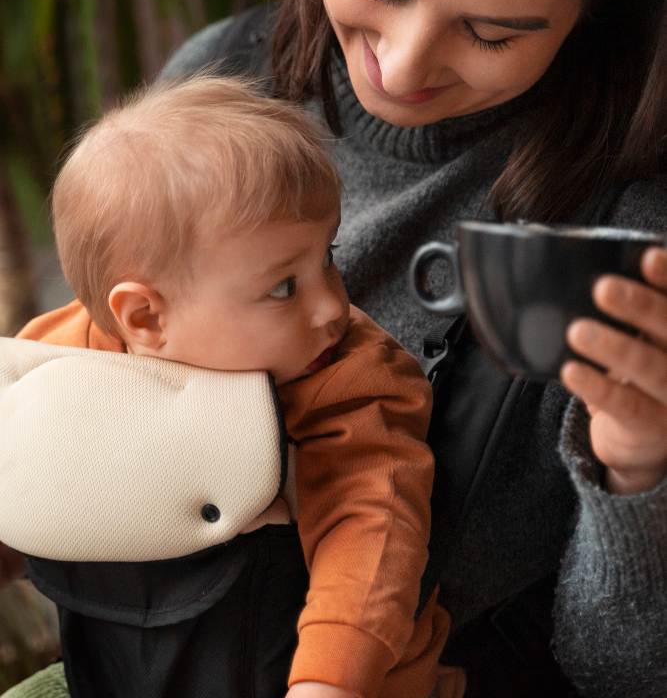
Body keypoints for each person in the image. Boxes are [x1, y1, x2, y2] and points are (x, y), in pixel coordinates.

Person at [6, 0, 667, 695]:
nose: (402, 64)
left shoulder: (620, 233)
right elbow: (81, 374)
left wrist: (634, 468)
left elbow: (619, 674)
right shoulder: (221, 77)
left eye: (492, 33)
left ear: (593, 14)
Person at [4, 75, 459, 698]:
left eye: (326, 255)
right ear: (144, 319)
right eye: (283, 287)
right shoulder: (61, 360)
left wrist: (331, 681)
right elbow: (18, 461)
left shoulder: (350, 378)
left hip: (331, 676)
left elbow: (372, 530)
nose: (332, 306)